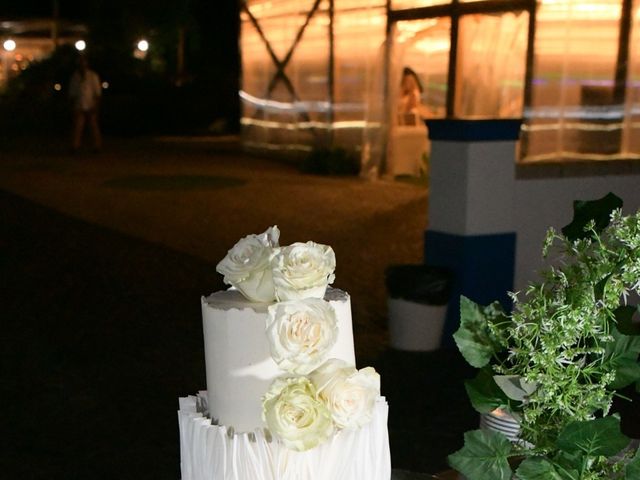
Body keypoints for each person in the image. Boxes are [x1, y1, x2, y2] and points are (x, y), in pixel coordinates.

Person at [68, 55, 102, 153]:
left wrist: (96, 105)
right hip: (79, 104)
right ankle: (75, 146)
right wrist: (72, 105)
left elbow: (97, 93)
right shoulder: (75, 77)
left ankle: (97, 146)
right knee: (78, 126)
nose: (82, 65)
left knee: (93, 125)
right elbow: (72, 93)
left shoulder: (93, 76)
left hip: (91, 104)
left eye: (83, 62)